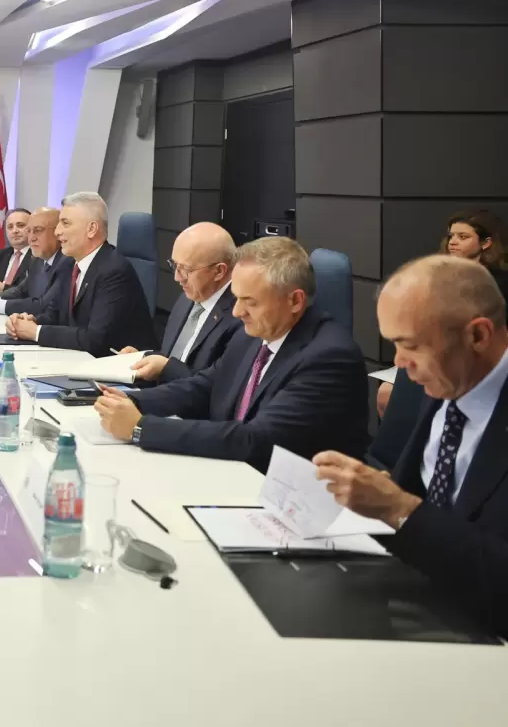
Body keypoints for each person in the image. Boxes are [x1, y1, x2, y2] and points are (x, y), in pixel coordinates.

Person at [315, 255, 508, 638]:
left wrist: (399, 508)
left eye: (411, 345)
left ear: (477, 336)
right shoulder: (446, 380)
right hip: (409, 600)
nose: (399, 363)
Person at [93, 236, 367, 471]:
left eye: (250, 302)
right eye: (236, 298)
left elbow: (257, 439)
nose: (236, 312)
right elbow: (203, 386)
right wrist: (130, 401)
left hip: (291, 496)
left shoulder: (329, 358)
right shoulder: (255, 334)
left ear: (295, 300)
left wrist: (141, 427)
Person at [376, 209, 508, 416]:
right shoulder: (438, 277)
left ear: (486, 243)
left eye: (463, 237)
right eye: (451, 236)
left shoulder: (499, 284)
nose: (453, 242)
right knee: (385, 393)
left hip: (466, 363)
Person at [5, 192, 154, 354]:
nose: (57, 231)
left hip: (116, 364)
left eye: (65, 223)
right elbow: (54, 316)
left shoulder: (114, 271)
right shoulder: (68, 264)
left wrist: (36, 332)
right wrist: (28, 322)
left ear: (91, 229)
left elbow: (95, 340)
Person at [121, 222, 242, 384]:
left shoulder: (240, 316)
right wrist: (142, 357)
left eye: (186, 269)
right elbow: (174, 356)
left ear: (219, 271)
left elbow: (216, 387)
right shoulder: (187, 297)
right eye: (175, 265)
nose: (177, 277)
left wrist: (165, 368)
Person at [0, 208, 70, 316]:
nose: (31, 238)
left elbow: (44, 305)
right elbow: (21, 291)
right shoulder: (37, 259)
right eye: (29, 231)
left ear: (58, 232)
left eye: (37, 230)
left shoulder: (67, 263)